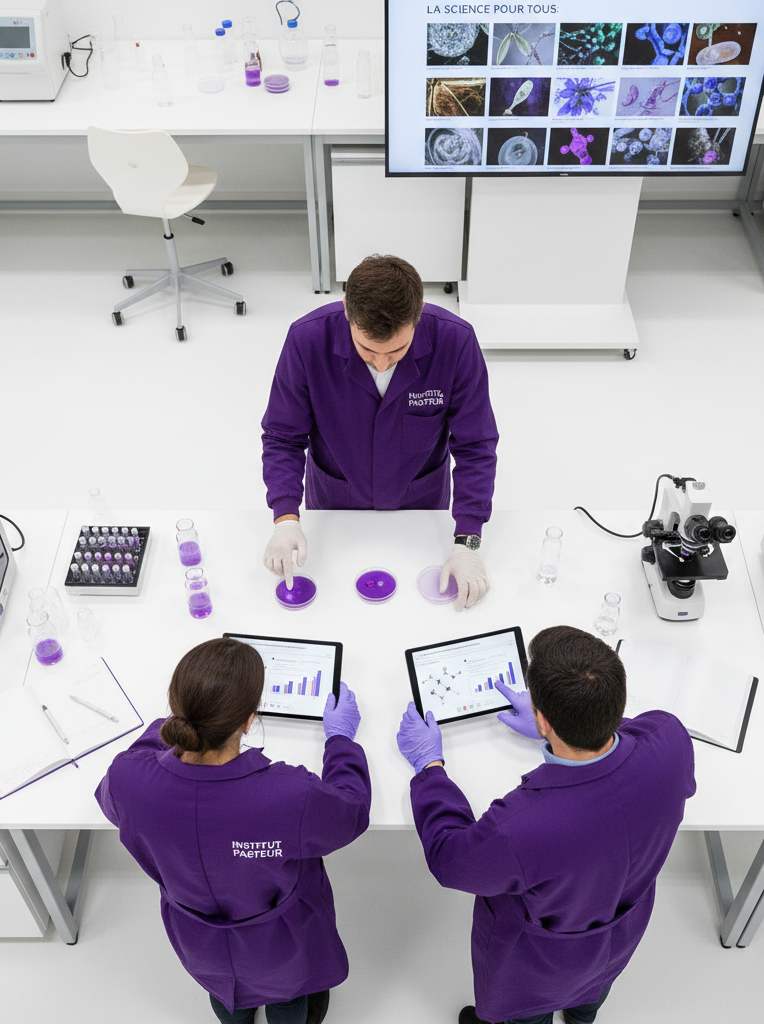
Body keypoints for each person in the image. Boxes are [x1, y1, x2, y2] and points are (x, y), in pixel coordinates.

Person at [395, 625, 696, 1024]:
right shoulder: (670, 737)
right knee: (592, 993)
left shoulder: (524, 826)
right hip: (620, 937)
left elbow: (450, 860)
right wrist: (567, 727)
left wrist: (429, 765)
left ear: (542, 719)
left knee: (527, 1015)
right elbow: (630, 732)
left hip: (539, 969)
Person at [95, 638, 371, 1024]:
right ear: (248, 722)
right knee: (289, 997)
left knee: (225, 996)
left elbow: (124, 783)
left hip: (199, 944)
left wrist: (178, 719)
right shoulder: (288, 796)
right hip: (281, 946)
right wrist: (340, 741)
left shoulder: (128, 781)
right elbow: (351, 812)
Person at [261, 254, 499, 611]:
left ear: (418, 311)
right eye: (367, 350)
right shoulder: (306, 340)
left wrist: (467, 540)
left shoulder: (456, 341)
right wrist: (285, 518)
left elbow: (476, 444)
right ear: (346, 310)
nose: (383, 362)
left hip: (420, 507)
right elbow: (283, 436)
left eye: (398, 350)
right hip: (336, 503)